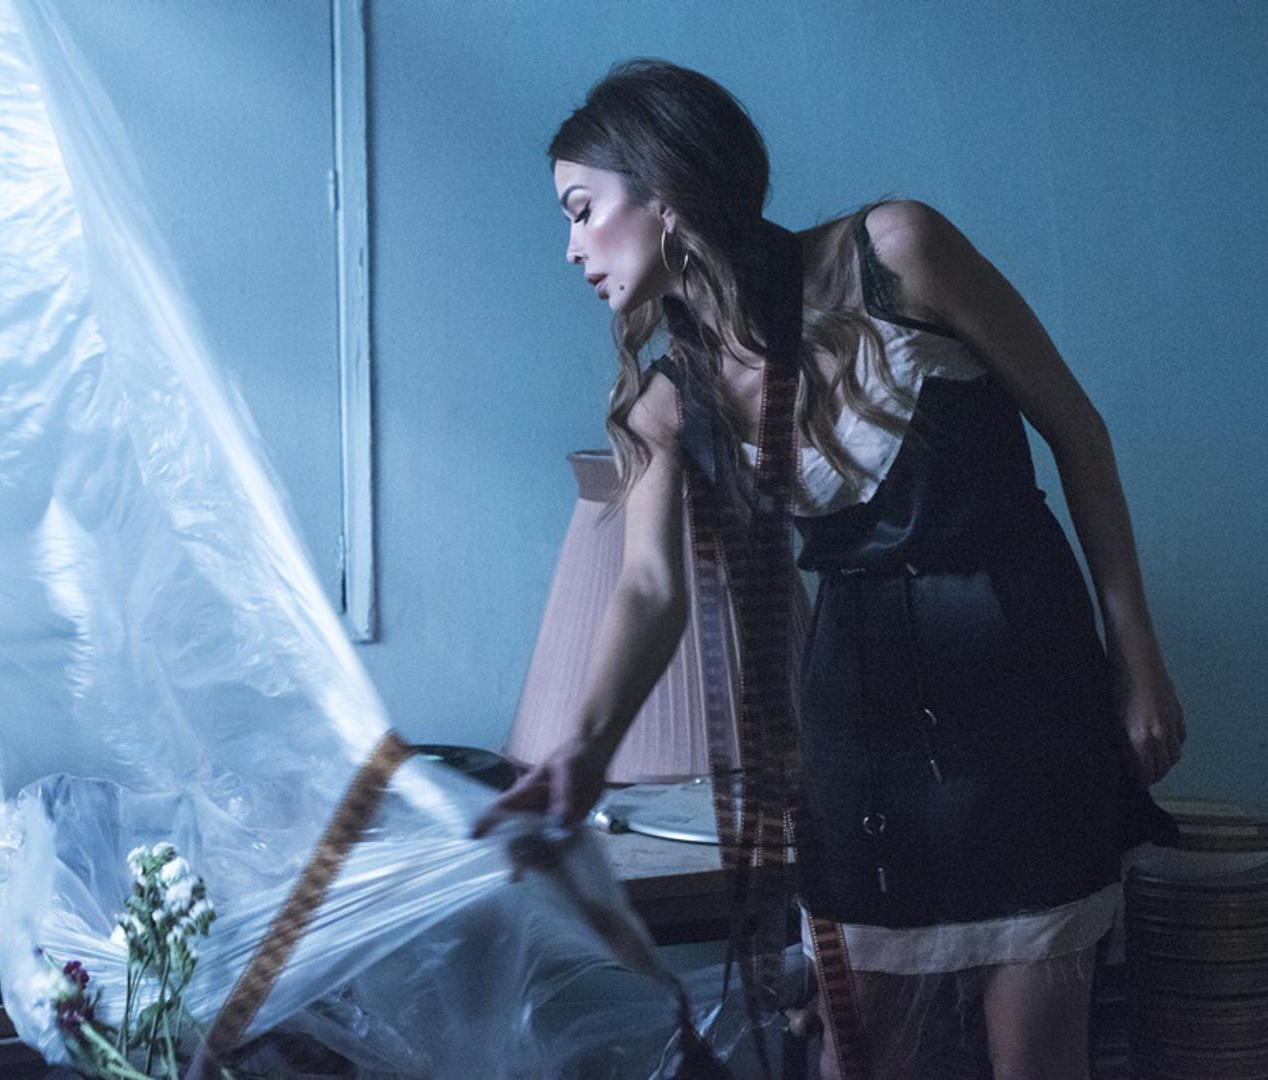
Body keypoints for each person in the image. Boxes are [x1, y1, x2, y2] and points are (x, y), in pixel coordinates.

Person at [473, 59, 1185, 1079]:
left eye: (582, 210)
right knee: (859, 1051)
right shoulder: (670, 398)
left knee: (1037, 1050)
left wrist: (1137, 656)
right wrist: (583, 747)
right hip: (857, 725)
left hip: (1027, 689)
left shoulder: (899, 250)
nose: (572, 246)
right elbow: (648, 588)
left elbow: (1078, 432)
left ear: (663, 189)